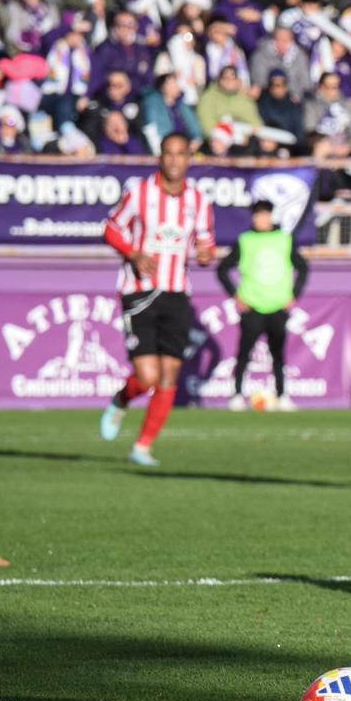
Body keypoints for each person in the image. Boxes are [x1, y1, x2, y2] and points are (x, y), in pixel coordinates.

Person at [98, 134, 216, 466]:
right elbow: (110, 228)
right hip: (140, 292)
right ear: (160, 158)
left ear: (189, 159)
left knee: (169, 375)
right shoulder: (139, 193)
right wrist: (132, 253)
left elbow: (205, 245)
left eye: (181, 155)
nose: (175, 161)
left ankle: (143, 446)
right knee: (147, 376)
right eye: (169, 154)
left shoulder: (199, 202)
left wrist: (206, 255)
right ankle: (122, 399)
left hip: (177, 293)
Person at [217, 199, 310, 412]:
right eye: (258, 215)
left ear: (271, 216)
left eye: (265, 214)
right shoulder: (246, 240)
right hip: (252, 305)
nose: (262, 219)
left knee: (278, 354)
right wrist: (236, 296)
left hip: (278, 305)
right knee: (244, 353)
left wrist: (294, 294)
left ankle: (282, 394)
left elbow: (303, 267)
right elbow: (222, 269)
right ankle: (238, 395)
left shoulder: (284, 240)